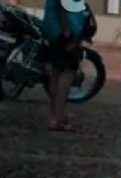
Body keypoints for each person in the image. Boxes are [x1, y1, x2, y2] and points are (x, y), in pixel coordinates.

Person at [40, 0, 88, 131]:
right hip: (67, 30)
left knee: (55, 74)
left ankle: (53, 116)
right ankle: (58, 118)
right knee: (66, 74)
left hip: (52, 29)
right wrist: (68, 31)